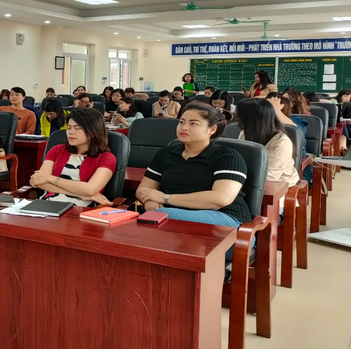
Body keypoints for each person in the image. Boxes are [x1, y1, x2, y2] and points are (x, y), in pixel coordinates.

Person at [136, 102, 251, 260]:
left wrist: (164, 198)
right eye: (181, 122)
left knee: (158, 222)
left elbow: (220, 199)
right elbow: (143, 189)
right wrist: (149, 202)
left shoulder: (227, 157)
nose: (184, 127)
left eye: (193, 123)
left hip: (226, 223)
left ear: (212, 129)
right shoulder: (166, 154)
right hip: (175, 221)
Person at [30, 108, 116, 206]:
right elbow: (39, 181)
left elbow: (90, 189)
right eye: (69, 127)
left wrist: (50, 178)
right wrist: (80, 193)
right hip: (47, 204)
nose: (70, 132)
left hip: (81, 208)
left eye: (77, 128)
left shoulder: (107, 158)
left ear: (93, 131)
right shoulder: (57, 150)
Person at [235, 99, 299, 188]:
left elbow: (270, 176)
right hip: (249, 180)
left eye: (240, 117)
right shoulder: (245, 133)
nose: (237, 120)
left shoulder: (282, 142)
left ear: (253, 120)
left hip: (278, 186)